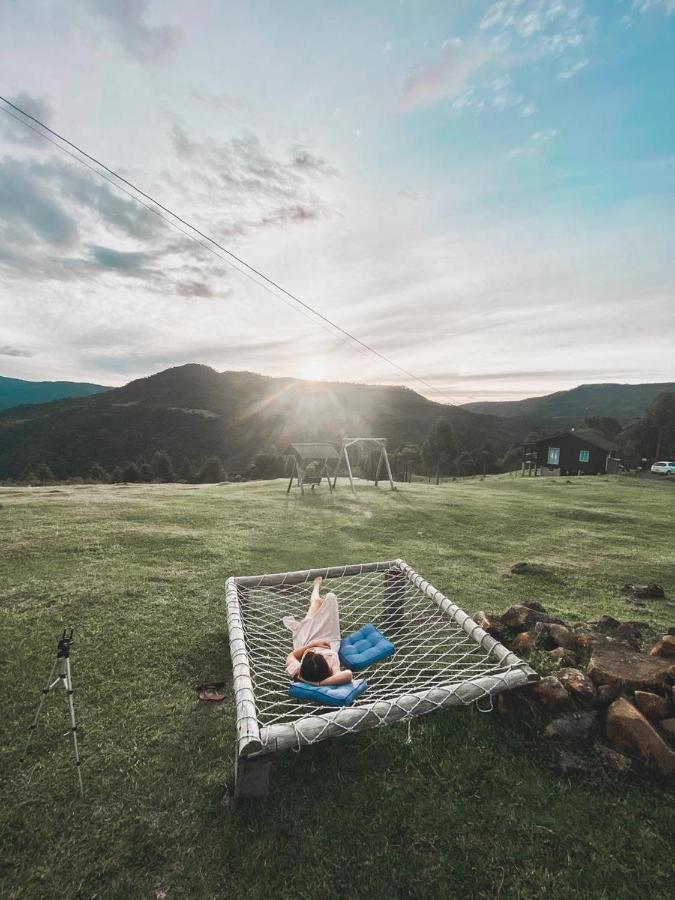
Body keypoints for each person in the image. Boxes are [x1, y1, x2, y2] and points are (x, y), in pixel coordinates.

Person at [284, 576, 353, 685]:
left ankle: (316, 586)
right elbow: (348, 675)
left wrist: (312, 645)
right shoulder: (332, 660)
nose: (316, 652)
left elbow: (290, 656)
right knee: (330, 597)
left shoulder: (298, 670)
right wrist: (319, 683)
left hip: (308, 640)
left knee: (317, 602)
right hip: (330, 641)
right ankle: (316, 589)